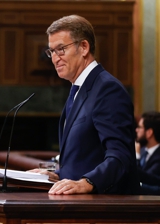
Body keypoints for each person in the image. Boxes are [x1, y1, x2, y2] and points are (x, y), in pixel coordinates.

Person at [30, 15, 140, 195]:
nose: (55, 58)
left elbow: (120, 156)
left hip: (105, 210)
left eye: (61, 49)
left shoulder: (107, 89)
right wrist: (57, 176)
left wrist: (87, 182)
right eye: (51, 51)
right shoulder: (79, 89)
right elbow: (87, 156)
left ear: (84, 47)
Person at [135, 111, 160, 194]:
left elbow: (147, 179)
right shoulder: (142, 151)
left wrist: (137, 157)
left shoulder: (158, 156)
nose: (136, 130)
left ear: (149, 132)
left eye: (139, 127)